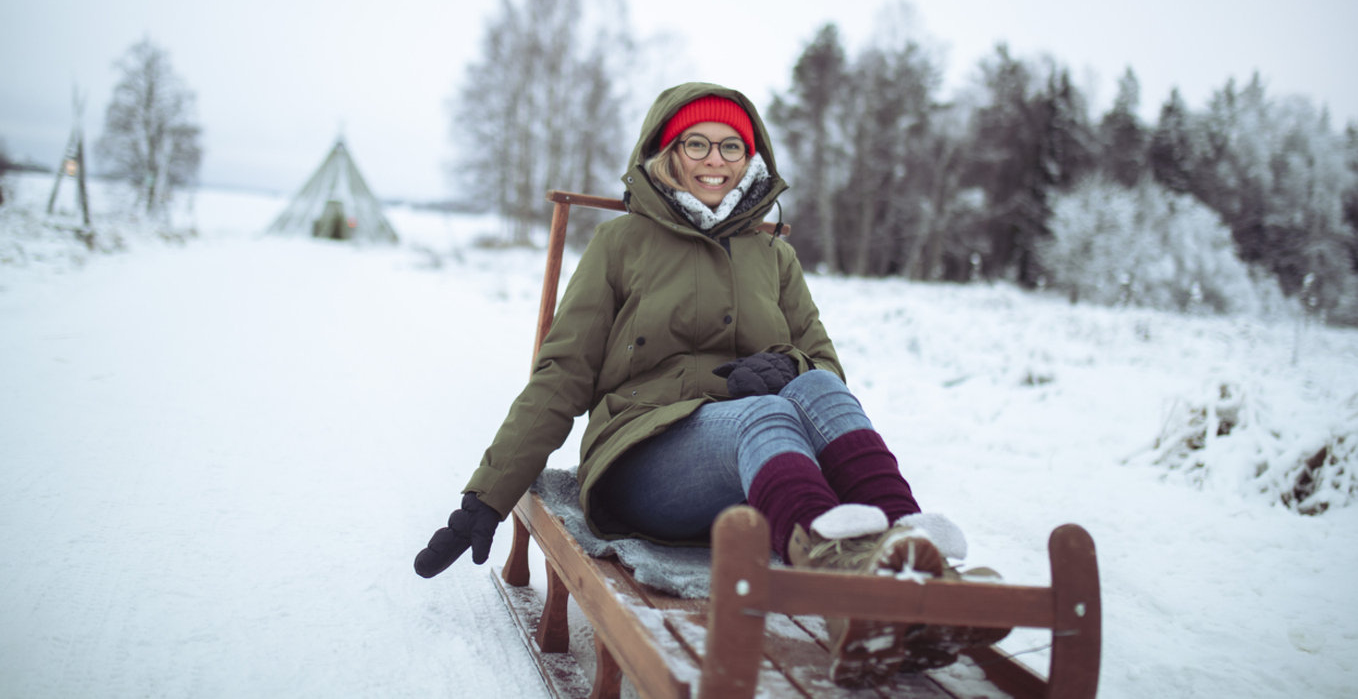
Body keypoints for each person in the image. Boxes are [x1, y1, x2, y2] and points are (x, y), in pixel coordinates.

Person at [415, 82, 1002, 685]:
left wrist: (790, 366)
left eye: (731, 147)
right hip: (645, 464)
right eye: (697, 144)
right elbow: (562, 374)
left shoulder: (773, 256)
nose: (715, 161)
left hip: (758, 477)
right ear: (667, 152)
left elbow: (826, 367)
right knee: (764, 416)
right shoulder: (621, 244)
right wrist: (487, 495)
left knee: (818, 392)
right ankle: (845, 588)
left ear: (751, 159)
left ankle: (916, 566)